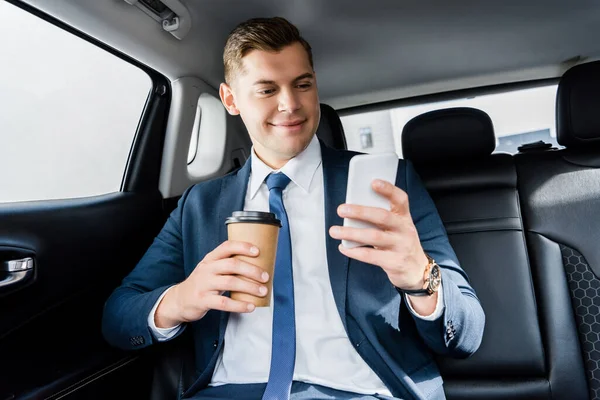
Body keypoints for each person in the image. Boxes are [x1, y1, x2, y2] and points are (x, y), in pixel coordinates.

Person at [102, 17, 485, 400]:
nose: (291, 104)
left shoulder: (385, 184)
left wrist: (420, 277)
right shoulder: (200, 206)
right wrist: (182, 299)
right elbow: (118, 317)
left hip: (362, 392)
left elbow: (467, 333)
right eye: (267, 90)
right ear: (231, 100)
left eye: (303, 84)